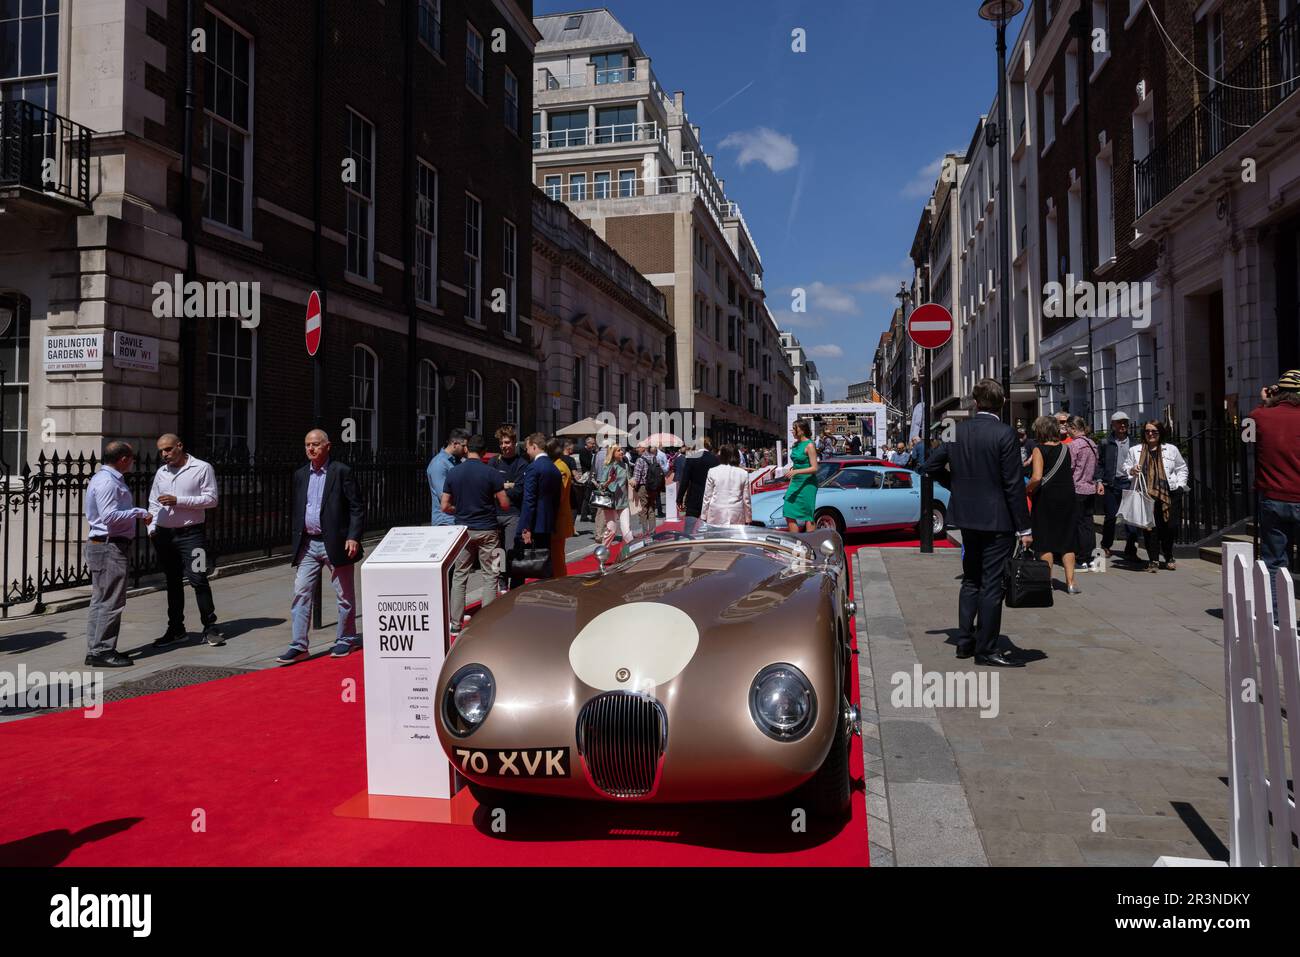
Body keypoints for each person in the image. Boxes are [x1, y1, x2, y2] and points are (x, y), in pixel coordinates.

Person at [923, 379, 1033, 667]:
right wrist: (1025, 527)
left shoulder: (954, 431)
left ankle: (964, 641)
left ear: (975, 402)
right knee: (992, 584)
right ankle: (986, 648)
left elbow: (929, 467)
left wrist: (956, 486)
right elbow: (1012, 485)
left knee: (971, 579)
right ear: (1002, 403)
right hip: (998, 520)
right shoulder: (1005, 433)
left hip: (967, 518)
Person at [278, 429, 366, 664]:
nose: (311, 449)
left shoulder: (341, 472)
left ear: (328, 446)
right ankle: (299, 645)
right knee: (301, 593)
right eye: (307, 445)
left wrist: (353, 536)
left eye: (316, 444)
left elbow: (357, 507)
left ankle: (346, 638)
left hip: (336, 543)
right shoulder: (300, 475)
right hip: (308, 543)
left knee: (344, 594)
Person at [148, 433, 223, 648]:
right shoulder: (161, 472)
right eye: (161, 450)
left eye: (169, 449)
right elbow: (153, 502)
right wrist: (152, 528)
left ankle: (210, 627)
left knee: (199, 579)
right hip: (164, 536)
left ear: (180, 446)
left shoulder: (202, 468)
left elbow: (211, 499)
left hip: (192, 536)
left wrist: (178, 501)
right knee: (172, 581)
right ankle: (176, 629)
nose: (164, 454)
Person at [84, 441, 153, 667]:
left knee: (101, 599)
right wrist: (140, 512)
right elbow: (110, 516)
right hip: (109, 546)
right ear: (123, 459)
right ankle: (103, 650)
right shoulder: (107, 482)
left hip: (105, 545)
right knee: (111, 601)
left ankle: (96, 649)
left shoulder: (108, 479)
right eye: (131, 457)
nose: (133, 461)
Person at [442, 434, 509, 635]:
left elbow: (444, 506)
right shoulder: (492, 473)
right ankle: (485, 622)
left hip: (463, 530)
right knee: (490, 575)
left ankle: (455, 623)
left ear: (466, 449)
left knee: (460, 575)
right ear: (483, 452)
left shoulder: (454, 473)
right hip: (487, 528)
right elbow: (504, 504)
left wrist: (459, 510)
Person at [1247, 371, 1300, 621]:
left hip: (1272, 499)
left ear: (1277, 392)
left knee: (1274, 561)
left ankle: (1277, 619)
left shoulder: (1260, 416)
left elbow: (1246, 437)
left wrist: (1264, 402)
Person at [1124, 421, 1188, 572]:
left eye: (1154, 431)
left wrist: (1180, 484)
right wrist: (1132, 470)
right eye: (1147, 431)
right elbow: (1125, 467)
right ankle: (1153, 560)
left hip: (1170, 492)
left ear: (1160, 433)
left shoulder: (1171, 449)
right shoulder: (1135, 450)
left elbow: (1181, 468)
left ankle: (1168, 554)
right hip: (1146, 494)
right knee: (1150, 528)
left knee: (1170, 527)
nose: (1150, 434)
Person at [1026, 415, 1080, 594]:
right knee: (1067, 540)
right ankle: (1071, 583)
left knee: (1045, 541)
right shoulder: (1066, 448)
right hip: (1067, 497)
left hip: (1046, 498)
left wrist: (1027, 489)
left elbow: (1037, 477)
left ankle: (1047, 582)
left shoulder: (1038, 449)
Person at [510, 432, 561, 587]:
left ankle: (515, 594)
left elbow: (529, 500)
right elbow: (556, 499)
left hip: (532, 523)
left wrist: (525, 527)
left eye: (527, 448)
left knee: (520, 563)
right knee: (544, 560)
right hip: (547, 521)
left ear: (534, 446)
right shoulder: (554, 468)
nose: (526, 452)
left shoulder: (533, 468)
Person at [1094, 411, 1140, 563]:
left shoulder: (1134, 443)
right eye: (1119, 422)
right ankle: (1106, 545)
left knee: (1130, 519)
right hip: (1111, 484)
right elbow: (1099, 463)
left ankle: (1131, 550)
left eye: (1125, 422)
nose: (1123, 425)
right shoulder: (1106, 442)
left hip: (1129, 483)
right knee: (1111, 517)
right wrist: (1099, 481)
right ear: (1112, 425)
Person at [492, 425, 528, 590]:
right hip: (494, 513)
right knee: (497, 553)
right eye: (501, 443)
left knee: (511, 550)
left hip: (513, 513)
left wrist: (500, 488)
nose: (504, 446)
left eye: (506, 442)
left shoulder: (521, 463)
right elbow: (489, 488)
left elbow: (519, 490)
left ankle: (516, 584)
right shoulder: (494, 462)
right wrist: (507, 485)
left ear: (514, 443)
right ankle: (500, 581)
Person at [1068, 416, 1100, 570]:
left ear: (1074, 428)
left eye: (1068, 428)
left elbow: (1070, 466)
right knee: (1088, 523)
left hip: (1076, 488)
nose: (1067, 431)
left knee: (1078, 524)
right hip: (1090, 488)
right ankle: (1091, 557)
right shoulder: (1092, 443)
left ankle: (1081, 558)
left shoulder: (1074, 445)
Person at [700, 445, 752, 526]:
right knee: (734, 537)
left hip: (716, 511)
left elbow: (707, 496)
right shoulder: (743, 473)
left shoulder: (713, 471)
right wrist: (748, 517)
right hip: (736, 512)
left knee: (717, 536)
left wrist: (703, 515)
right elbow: (746, 498)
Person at [783, 420, 820, 532]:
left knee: (808, 515)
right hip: (795, 481)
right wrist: (794, 469)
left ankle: (810, 543)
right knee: (788, 510)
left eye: (794, 429)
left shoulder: (809, 445)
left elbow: (815, 468)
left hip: (808, 483)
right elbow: (798, 463)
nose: (792, 431)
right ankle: (796, 542)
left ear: (802, 430)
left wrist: (796, 471)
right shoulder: (796, 444)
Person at [426, 429, 468, 526]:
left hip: (457, 519)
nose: (466, 449)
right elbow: (444, 497)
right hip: (445, 522)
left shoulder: (458, 461)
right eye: (463, 446)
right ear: (454, 444)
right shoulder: (439, 464)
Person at [678, 437, 719, 534]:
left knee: (688, 529)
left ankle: (687, 544)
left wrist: (679, 498)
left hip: (694, 496)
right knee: (710, 528)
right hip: (710, 496)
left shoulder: (691, 457)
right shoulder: (715, 459)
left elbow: (685, 479)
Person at [547, 437, 575, 578]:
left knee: (557, 557)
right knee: (556, 555)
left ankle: (560, 582)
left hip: (558, 519)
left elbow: (558, 496)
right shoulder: (558, 466)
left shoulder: (560, 469)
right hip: (557, 518)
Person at [595, 444, 632, 548]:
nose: (622, 452)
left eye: (622, 450)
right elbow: (601, 487)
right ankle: (603, 552)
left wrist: (633, 481)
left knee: (627, 531)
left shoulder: (625, 465)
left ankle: (633, 553)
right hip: (610, 503)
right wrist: (609, 481)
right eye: (619, 450)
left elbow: (629, 478)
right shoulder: (607, 466)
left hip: (623, 502)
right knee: (612, 530)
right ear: (613, 453)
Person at [631, 442, 664, 536]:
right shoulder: (654, 458)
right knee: (652, 509)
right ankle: (653, 532)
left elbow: (636, 478)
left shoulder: (640, 460)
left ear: (643, 448)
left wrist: (632, 485)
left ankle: (645, 533)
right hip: (653, 487)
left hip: (643, 487)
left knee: (643, 510)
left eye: (638, 447)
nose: (636, 449)